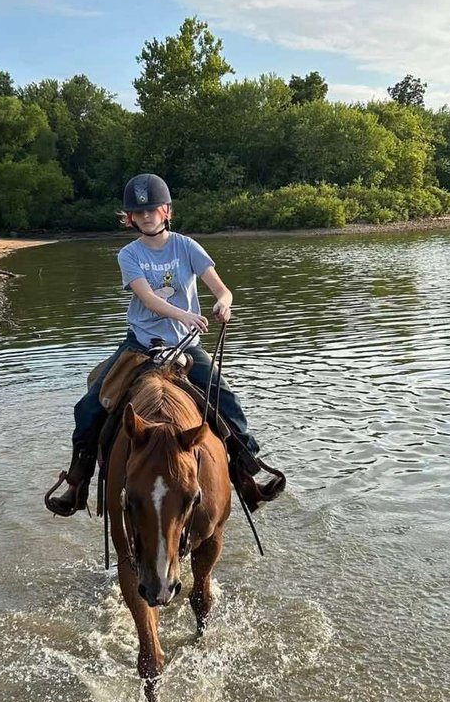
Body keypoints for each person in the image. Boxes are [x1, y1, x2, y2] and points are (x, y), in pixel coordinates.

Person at [45, 173, 285, 517]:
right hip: (140, 345)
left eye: (152, 209)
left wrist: (223, 303)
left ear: (166, 211)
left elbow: (221, 288)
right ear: (130, 218)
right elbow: (148, 298)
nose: (145, 216)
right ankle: (77, 484)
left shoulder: (186, 246)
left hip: (186, 347)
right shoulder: (129, 254)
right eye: (138, 212)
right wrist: (186, 314)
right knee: (88, 408)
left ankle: (249, 472)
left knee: (226, 399)